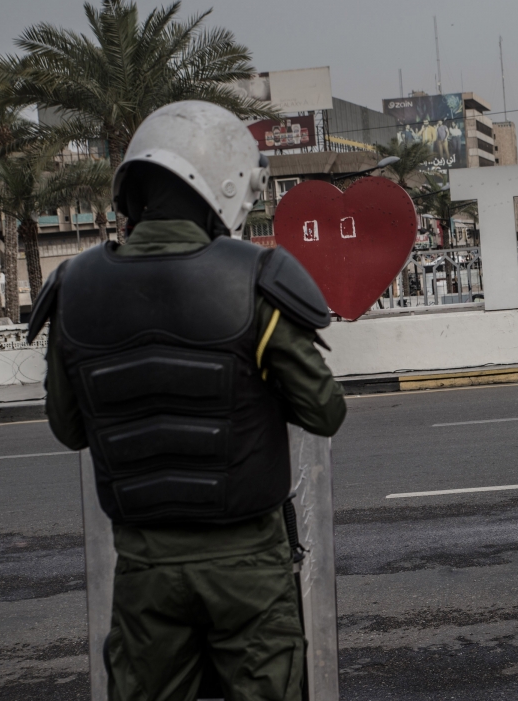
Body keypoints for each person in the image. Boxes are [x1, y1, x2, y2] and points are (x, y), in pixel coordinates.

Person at [28, 100, 347, 701]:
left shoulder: (73, 288)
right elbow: (325, 411)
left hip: (145, 572)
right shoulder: (257, 277)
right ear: (225, 185)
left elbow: (68, 429)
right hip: (248, 569)